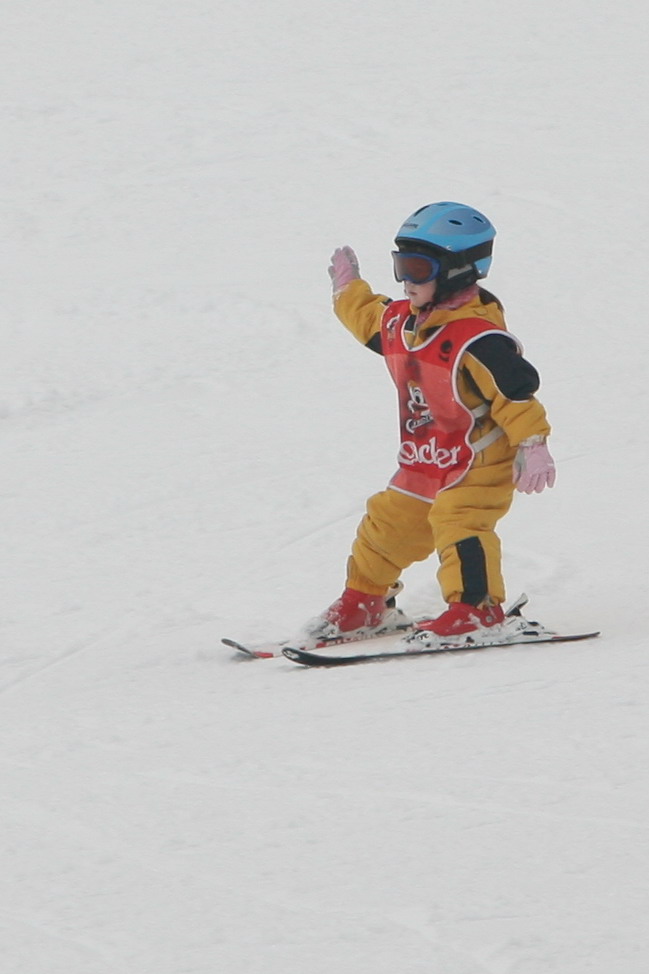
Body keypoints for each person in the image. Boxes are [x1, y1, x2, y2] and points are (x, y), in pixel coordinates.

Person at [301, 201, 556, 649]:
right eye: (400, 266)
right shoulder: (404, 322)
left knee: (459, 521)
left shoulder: (478, 339)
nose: (405, 280)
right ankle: (364, 602)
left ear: (459, 270)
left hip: (480, 458)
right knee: (387, 523)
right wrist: (347, 288)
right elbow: (368, 318)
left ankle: (478, 610)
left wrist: (532, 443)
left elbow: (514, 393)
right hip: (426, 455)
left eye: (418, 268)